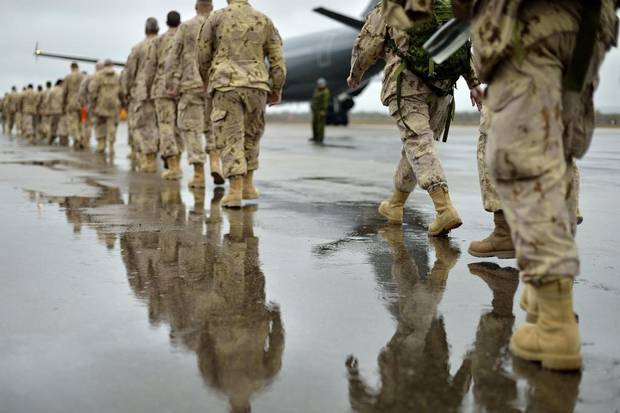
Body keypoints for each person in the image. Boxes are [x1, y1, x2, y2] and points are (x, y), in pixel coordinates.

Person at [449, 0, 619, 370]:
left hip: (533, 21)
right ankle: (543, 297)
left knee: (524, 160)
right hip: (589, 29)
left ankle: (554, 324)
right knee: (555, 154)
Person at [347, 5, 482, 236]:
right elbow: (460, 44)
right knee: (416, 147)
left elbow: (368, 44)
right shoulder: (446, 4)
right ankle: (395, 205)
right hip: (443, 89)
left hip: (406, 85)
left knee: (419, 144)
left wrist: (355, 74)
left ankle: (444, 209)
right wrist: (473, 82)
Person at [197, 0, 287, 208]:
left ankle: (235, 191)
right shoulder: (264, 20)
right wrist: (277, 88)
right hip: (257, 85)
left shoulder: (216, 17)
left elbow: (202, 53)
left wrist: (206, 79)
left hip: (226, 85)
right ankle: (248, 185)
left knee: (231, 136)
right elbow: (278, 59)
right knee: (252, 134)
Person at [164, 0, 215, 188]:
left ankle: (199, 175)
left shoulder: (186, 27)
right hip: (216, 85)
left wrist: (171, 83)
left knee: (192, 129)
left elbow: (173, 57)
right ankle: (216, 161)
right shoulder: (219, 23)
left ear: (196, 7)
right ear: (212, 7)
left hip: (192, 85)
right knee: (213, 126)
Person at [145, 11, 184, 180]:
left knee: (166, 126)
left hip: (162, 88)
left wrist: (148, 88)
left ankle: (173, 165)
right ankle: (179, 161)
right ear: (179, 22)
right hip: (183, 86)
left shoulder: (158, 41)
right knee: (180, 126)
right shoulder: (186, 38)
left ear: (166, 23)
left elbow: (150, 67)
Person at [122, 17, 161, 173]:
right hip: (162, 91)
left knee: (143, 127)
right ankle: (170, 160)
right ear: (157, 29)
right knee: (163, 125)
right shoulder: (165, 43)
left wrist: (126, 91)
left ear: (146, 30)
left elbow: (129, 72)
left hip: (142, 92)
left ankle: (148, 159)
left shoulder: (138, 48)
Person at [89, 60, 122, 154]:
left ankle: (101, 145)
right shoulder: (117, 76)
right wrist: (122, 102)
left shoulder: (98, 76)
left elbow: (92, 89)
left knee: (100, 125)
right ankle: (111, 146)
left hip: (101, 104)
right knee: (112, 126)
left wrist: (94, 101)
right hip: (114, 105)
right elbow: (121, 91)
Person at [79, 63, 104, 148]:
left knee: (87, 124)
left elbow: (82, 91)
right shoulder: (106, 77)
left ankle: (87, 141)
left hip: (89, 105)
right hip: (103, 106)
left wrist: (83, 103)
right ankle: (101, 142)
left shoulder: (89, 78)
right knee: (101, 124)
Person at [62, 62, 86, 149]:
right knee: (81, 122)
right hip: (82, 103)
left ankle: (77, 138)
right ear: (78, 67)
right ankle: (82, 137)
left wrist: (63, 104)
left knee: (73, 122)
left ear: (71, 68)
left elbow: (64, 92)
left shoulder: (68, 77)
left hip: (72, 102)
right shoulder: (83, 77)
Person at [310, 78, 330, 143]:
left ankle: (320, 138)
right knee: (314, 124)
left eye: (322, 84)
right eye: (319, 84)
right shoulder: (317, 91)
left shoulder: (325, 92)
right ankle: (315, 137)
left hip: (321, 111)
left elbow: (325, 102)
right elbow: (314, 100)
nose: (320, 85)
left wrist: (323, 110)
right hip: (315, 111)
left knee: (320, 125)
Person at [48, 80, 67, 145]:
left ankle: (51, 139)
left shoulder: (52, 90)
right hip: (62, 111)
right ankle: (63, 141)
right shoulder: (64, 90)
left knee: (53, 126)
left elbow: (47, 100)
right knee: (63, 126)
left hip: (54, 111)